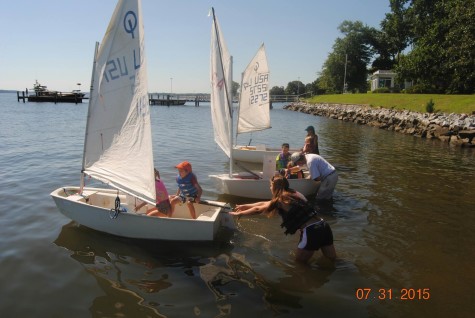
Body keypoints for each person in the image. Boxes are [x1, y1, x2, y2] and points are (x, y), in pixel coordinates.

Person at [229, 175, 336, 263]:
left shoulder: (280, 200)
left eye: (270, 186)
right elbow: (264, 203)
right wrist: (245, 206)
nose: (270, 188)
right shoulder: (293, 194)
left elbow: (258, 209)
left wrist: (240, 214)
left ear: (275, 187)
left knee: (299, 265)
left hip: (312, 231)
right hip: (324, 226)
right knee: (332, 260)